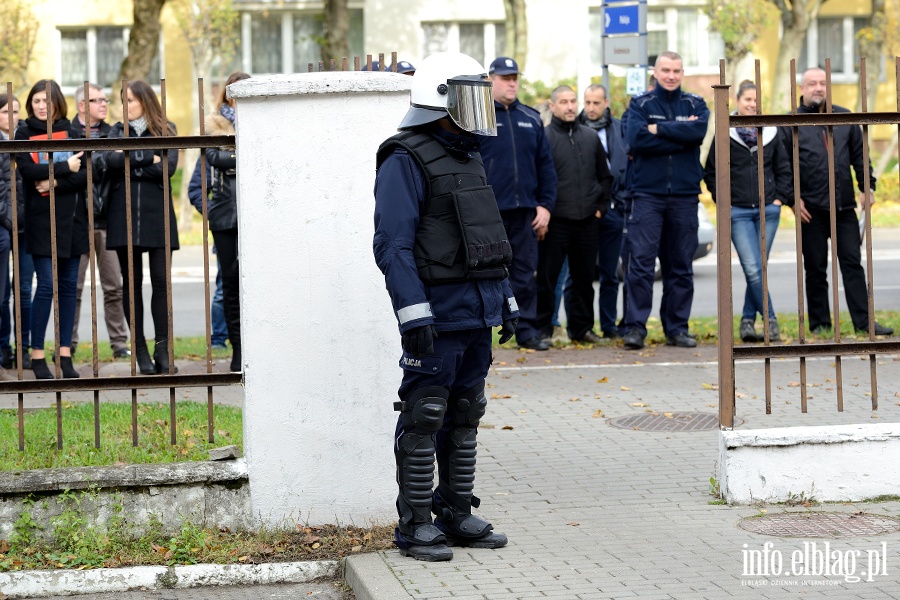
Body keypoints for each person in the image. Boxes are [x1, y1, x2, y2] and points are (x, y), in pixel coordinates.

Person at [374, 52, 517, 562]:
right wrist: (413, 314)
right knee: (425, 412)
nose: (483, 106)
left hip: (477, 310)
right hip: (436, 313)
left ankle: (455, 511)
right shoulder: (404, 157)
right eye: (471, 95)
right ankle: (415, 523)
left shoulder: (468, 154)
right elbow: (392, 245)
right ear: (441, 100)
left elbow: (485, 234)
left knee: (465, 411)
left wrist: (507, 299)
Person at [782, 67, 892, 337]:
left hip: (844, 209)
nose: (818, 88)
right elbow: (783, 164)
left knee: (853, 264)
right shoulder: (790, 122)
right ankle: (821, 326)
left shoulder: (845, 118)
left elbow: (860, 157)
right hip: (811, 210)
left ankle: (864, 323)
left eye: (823, 83)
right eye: (812, 84)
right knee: (815, 268)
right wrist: (792, 199)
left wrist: (867, 187)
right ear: (802, 88)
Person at [620, 51, 709, 350]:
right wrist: (679, 135)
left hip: (684, 196)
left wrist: (659, 129)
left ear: (683, 73)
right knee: (642, 266)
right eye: (666, 70)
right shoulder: (640, 104)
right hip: (647, 195)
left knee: (680, 265)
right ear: (655, 73)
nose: (671, 75)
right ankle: (635, 328)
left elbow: (697, 133)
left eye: (677, 70)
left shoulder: (695, 104)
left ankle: (677, 328)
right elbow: (637, 139)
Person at [704, 80, 793, 343]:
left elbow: (784, 169)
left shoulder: (773, 132)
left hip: (769, 210)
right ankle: (771, 319)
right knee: (753, 267)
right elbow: (711, 172)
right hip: (738, 212)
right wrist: (724, 201)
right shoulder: (724, 133)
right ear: (738, 103)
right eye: (748, 100)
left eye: (756, 100)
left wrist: (779, 200)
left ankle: (746, 321)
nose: (753, 105)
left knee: (757, 267)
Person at [478, 56, 557, 351]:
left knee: (525, 274)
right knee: (485, 274)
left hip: (525, 211)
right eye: (505, 78)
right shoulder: (479, 117)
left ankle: (528, 333)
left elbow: (546, 167)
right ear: (490, 80)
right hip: (488, 213)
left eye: (515, 78)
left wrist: (545, 206)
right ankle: (481, 335)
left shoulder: (531, 117)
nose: (512, 83)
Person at [103, 80, 180, 375]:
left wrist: (130, 160)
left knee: (161, 283)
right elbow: (109, 160)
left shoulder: (167, 129)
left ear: (145, 101)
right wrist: (149, 156)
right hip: (123, 217)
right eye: (122, 100)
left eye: (130, 100)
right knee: (131, 285)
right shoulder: (114, 131)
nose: (125, 106)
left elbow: (168, 168)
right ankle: (141, 351)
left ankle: (163, 349)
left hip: (157, 215)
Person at [15, 80, 88, 379]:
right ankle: (36, 356)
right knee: (45, 287)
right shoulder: (23, 132)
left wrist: (55, 181)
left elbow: (84, 173)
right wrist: (61, 168)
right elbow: (27, 171)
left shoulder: (72, 131)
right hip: (41, 221)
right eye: (36, 101)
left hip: (73, 219)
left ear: (58, 101)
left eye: (46, 101)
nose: (41, 106)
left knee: (69, 287)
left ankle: (65, 355)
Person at [537, 86, 612, 343]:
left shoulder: (590, 137)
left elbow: (605, 176)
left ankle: (582, 330)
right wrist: (542, 213)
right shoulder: (544, 137)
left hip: (587, 221)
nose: (569, 107)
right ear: (553, 106)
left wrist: (600, 209)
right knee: (547, 278)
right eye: (563, 102)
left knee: (583, 280)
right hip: (555, 221)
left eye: (572, 101)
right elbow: (537, 179)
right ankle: (543, 329)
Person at [70, 83, 130, 359]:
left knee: (113, 286)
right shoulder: (67, 133)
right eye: (97, 100)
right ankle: (67, 344)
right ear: (82, 105)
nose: (104, 105)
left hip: (107, 220)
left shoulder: (115, 132)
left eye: (105, 100)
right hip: (76, 222)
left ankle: (119, 344)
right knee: (74, 287)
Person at [204, 71, 249, 372]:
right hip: (223, 211)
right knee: (230, 282)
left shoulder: (260, 120)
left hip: (252, 210)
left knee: (254, 282)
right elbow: (213, 157)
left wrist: (232, 154)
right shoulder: (214, 122)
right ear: (228, 94)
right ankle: (237, 349)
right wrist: (243, 155)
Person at [578, 84, 629, 339]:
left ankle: (609, 327)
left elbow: (624, 167)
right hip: (582, 212)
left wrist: (617, 201)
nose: (591, 108)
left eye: (596, 102)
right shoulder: (573, 129)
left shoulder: (619, 129)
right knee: (579, 275)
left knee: (610, 274)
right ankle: (580, 328)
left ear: (606, 103)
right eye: (587, 102)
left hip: (613, 210)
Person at [0, 93, 26, 370]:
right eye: (6, 111)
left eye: (16, 111)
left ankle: (23, 347)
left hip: (25, 223)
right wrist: (8, 218)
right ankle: (3, 346)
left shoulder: (23, 138)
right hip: (5, 224)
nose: (12, 116)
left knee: (22, 289)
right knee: (2, 292)